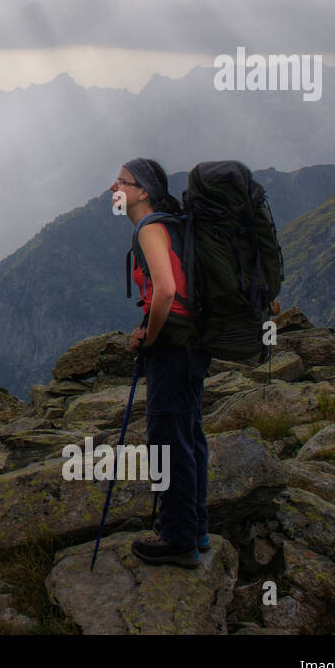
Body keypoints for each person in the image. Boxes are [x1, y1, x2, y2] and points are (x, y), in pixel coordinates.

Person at [113, 158, 211, 568]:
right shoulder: (171, 224)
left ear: (143, 192)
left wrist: (149, 337)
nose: (113, 187)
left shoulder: (151, 227)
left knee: (168, 442)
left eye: (122, 182)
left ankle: (177, 540)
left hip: (173, 348)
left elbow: (167, 290)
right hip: (193, 346)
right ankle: (196, 529)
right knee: (188, 434)